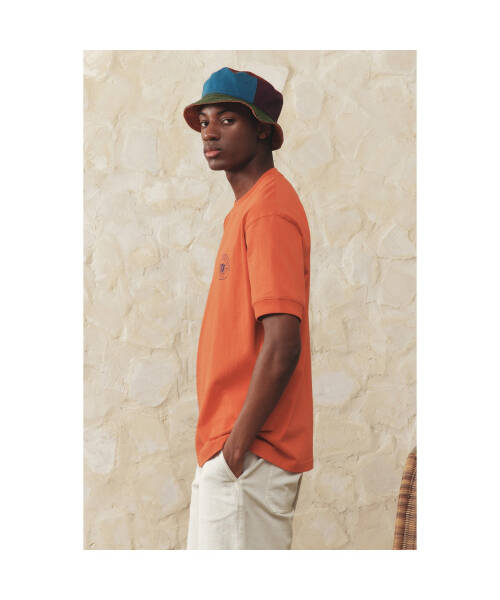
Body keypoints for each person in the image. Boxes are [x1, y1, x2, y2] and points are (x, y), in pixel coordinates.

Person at [182, 67, 313, 550]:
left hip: (249, 456)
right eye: (204, 121)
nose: (209, 132)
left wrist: (235, 449)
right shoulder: (247, 209)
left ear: (263, 129)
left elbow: (283, 344)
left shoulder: (269, 211)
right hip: (230, 454)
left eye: (227, 119)